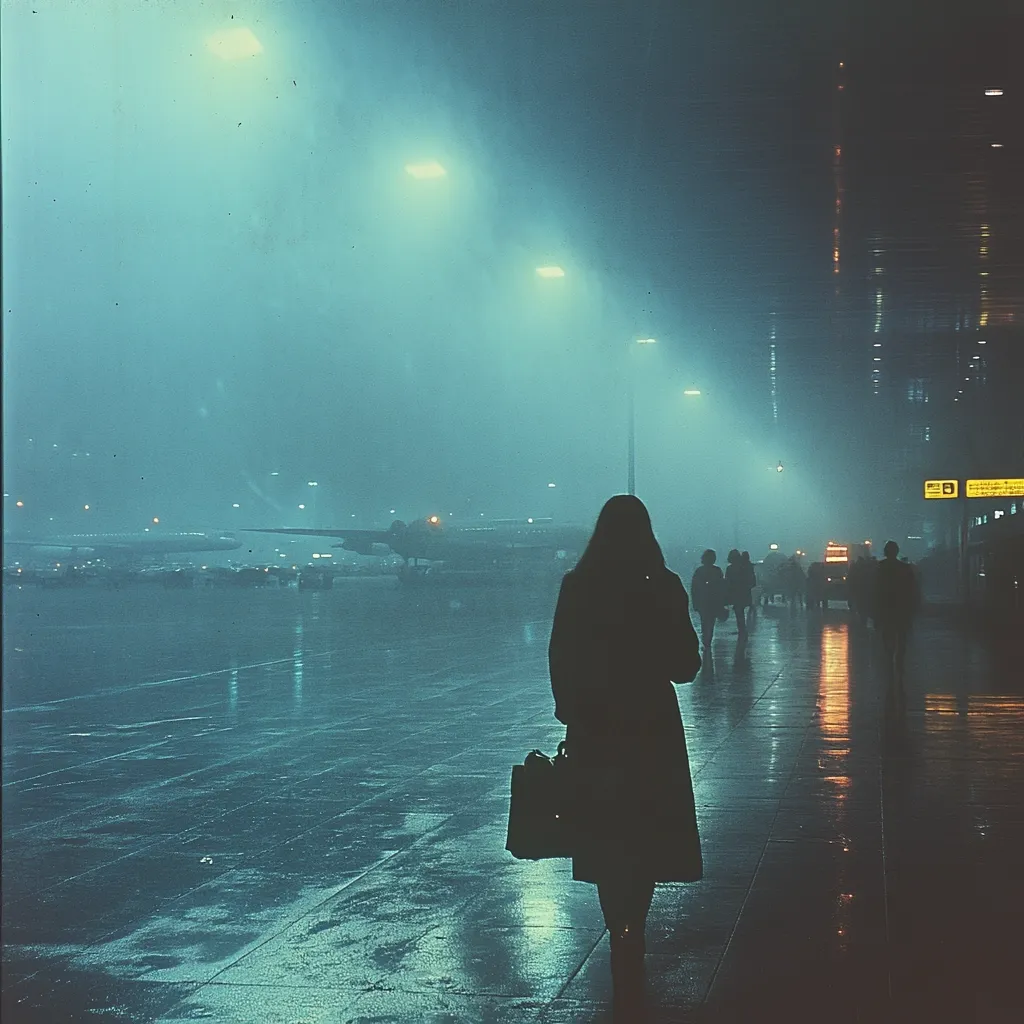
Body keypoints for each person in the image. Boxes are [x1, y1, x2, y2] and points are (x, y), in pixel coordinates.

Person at [549, 496, 702, 1020]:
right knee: (644, 827)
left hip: (596, 728)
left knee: (606, 830)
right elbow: (685, 666)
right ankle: (633, 928)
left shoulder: (578, 585)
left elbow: (560, 656)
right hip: (650, 728)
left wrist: (573, 708)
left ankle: (619, 932)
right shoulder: (661, 586)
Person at [873, 540, 920, 709]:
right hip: (902, 610)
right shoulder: (905, 569)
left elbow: (875, 591)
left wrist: (875, 613)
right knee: (902, 637)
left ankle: (889, 658)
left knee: (888, 636)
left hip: (886, 610)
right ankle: (899, 661)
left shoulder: (880, 569)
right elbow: (913, 590)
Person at [690, 549, 726, 652]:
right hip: (714, 601)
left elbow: (694, 588)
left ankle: (706, 640)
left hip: (703, 601)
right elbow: (722, 587)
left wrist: (695, 602)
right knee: (711, 622)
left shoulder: (699, 571)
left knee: (704, 621)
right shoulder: (717, 570)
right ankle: (708, 640)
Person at [725, 549, 754, 640]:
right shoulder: (745, 567)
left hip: (736, 593)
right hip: (744, 592)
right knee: (740, 610)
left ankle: (742, 629)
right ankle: (742, 629)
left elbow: (727, 582)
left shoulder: (730, 568)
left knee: (739, 611)